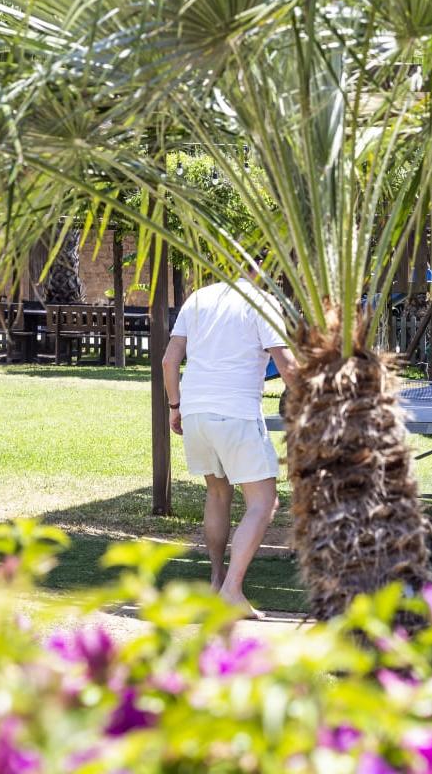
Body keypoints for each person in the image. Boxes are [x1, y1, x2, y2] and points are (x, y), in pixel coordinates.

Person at [161, 264, 296, 618]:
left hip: (196, 412)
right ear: (263, 269)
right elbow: (286, 363)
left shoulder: (198, 298)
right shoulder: (263, 301)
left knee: (218, 493)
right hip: (235, 412)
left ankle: (216, 580)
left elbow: (168, 360)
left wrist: (176, 406)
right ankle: (232, 590)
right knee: (264, 502)